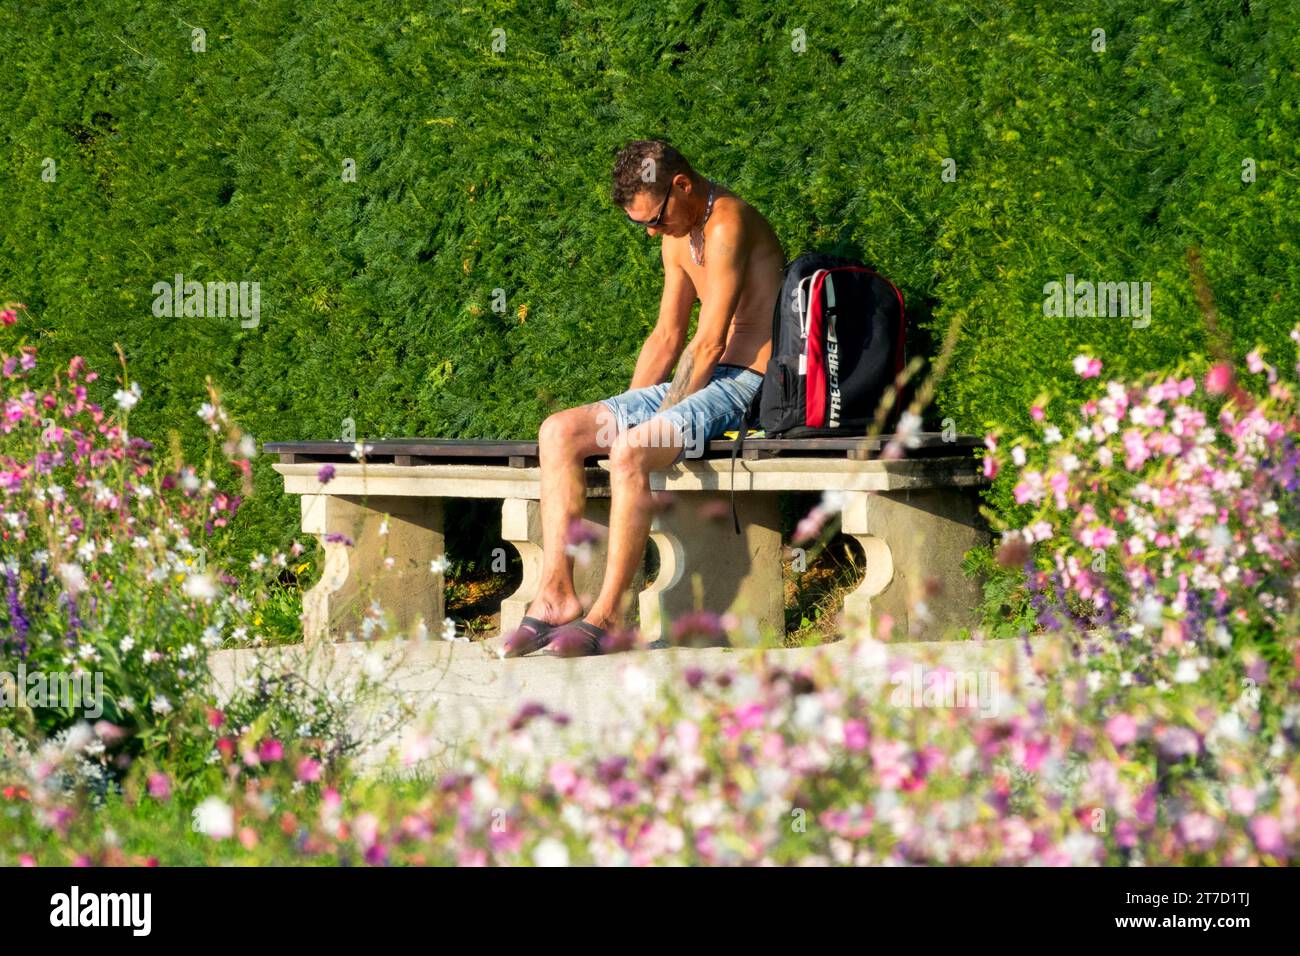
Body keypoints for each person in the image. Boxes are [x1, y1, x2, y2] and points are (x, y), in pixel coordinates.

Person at [504, 139, 785, 656]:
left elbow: (710, 342)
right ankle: (555, 596)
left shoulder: (727, 224)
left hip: (747, 381)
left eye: (654, 218)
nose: (652, 231)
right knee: (559, 432)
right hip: (704, 372)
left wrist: (647, 429)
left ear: (681, 185)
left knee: (633, 449)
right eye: (643, 226)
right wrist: (626, 410)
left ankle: (609, 614)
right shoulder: (676, 234)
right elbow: (666, 337)